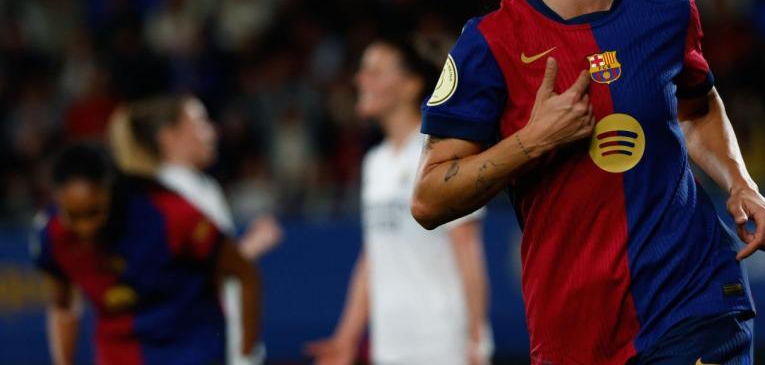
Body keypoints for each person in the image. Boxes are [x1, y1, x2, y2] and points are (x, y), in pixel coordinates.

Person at [411, 0, 765, 364]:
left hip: (695, 300)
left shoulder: (668, 10)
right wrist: (532, 141)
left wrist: (742, 184)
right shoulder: (489, 46)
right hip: (576, 332)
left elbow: (696, 108)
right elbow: (428, 199)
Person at [305, 37, 492, 365]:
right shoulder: (374, 163)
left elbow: (467, 248)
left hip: (443, 345)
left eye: (374, 71)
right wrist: (347, 339)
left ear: (410, 85)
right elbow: (373, 256)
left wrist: (478, 337)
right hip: (389, 348)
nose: (360, 80)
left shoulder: (443, 152)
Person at [32, 143, 262, 365]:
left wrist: (245, 355)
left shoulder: (171, 215)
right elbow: (63, 306)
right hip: (120, 355)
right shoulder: (53, 236)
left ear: (110, 190)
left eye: (94, 212)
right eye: (73, 216)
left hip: (191, 349)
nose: (86, 228)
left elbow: (244, 274)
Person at [107, 95, 282, 365]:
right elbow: (189, 275)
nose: (212, 131)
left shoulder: (201, 186)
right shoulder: (171, 193)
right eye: (200, 123)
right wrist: (254, 244)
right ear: (169, 137)